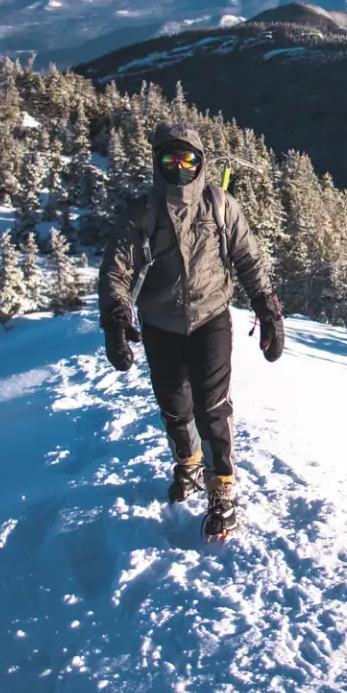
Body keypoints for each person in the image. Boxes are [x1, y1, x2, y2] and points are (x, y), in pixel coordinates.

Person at [97, 122, 285, 542]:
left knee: (212, 407)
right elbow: (116, 269)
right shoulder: (143, 213)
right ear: (157, 163)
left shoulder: (220, 205)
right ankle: (188, 461)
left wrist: (268, 310)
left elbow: (249, 259)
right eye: (170, 160)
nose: (180, 168)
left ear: (201, 164)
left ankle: (222, 491)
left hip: (211, 318)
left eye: (188, 160)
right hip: (161, 323)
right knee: (175, 406)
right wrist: (114, 317)